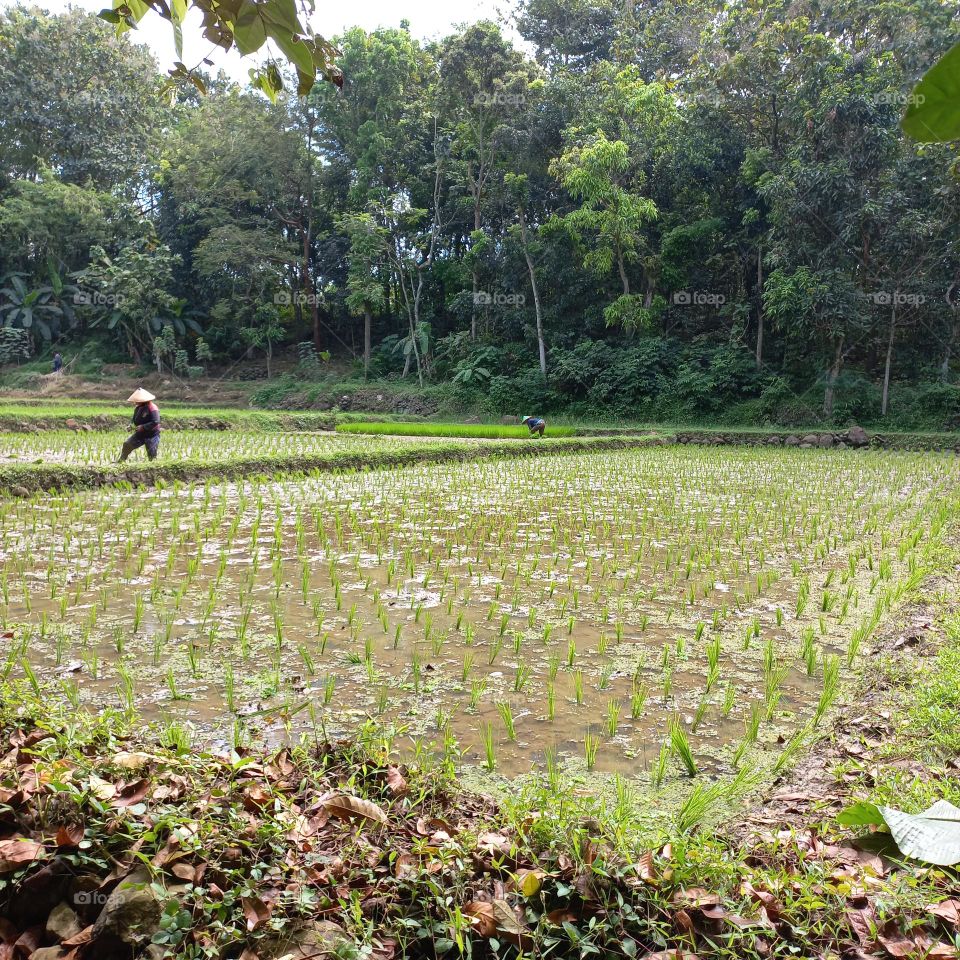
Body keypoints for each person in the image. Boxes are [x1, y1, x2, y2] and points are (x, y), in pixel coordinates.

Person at [119, 389, 161, 462]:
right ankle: (121, 461)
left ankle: (152, 468)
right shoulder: (138, 408)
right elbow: (134, 419)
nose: (135, 402)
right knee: (127, 445)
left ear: (143, 400)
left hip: (151, 435)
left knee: (152, 454)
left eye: (137, 401)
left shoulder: (152, 408)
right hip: (140, 434)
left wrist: (143, 427)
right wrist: (131, 425)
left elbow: (155, 421)